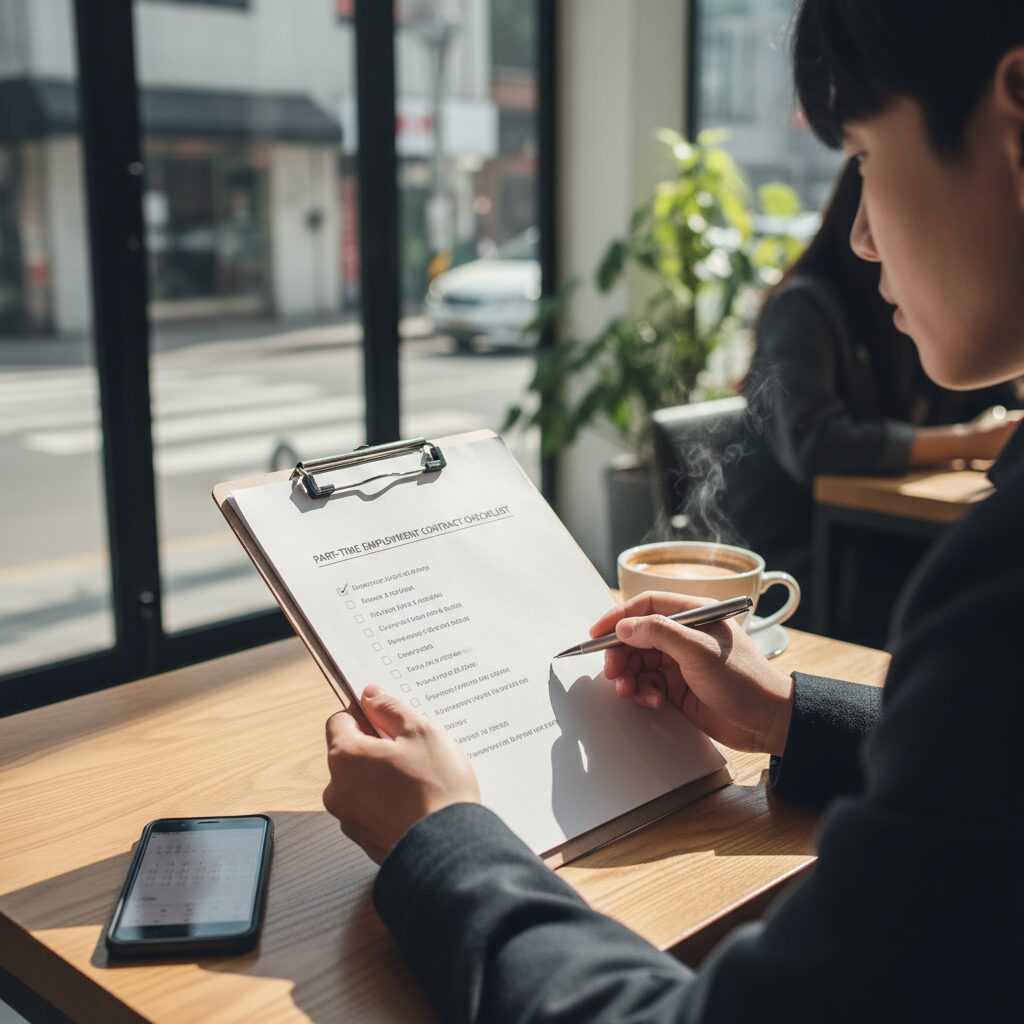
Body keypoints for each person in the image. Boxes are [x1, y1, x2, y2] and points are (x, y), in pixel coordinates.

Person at [322, 3, 1024, 1019]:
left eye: (864, 156)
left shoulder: (1000, 583)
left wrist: (441, 838)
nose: (862, 235)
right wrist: (791, 713)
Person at [729, 156, 1021, 644]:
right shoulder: (806, 307)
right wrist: (966, 441)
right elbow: (815, 444)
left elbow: (989, 400)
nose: (866, 239)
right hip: (805, 548)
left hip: (876, 537)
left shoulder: (926, 319)